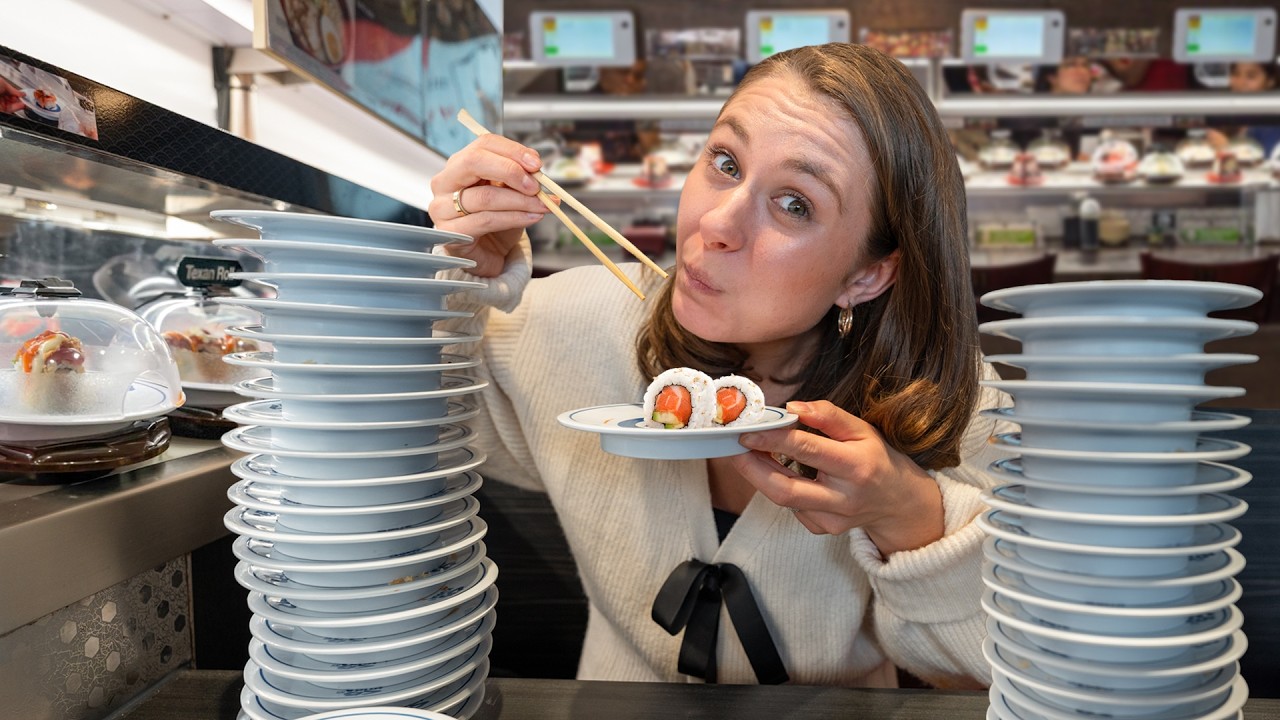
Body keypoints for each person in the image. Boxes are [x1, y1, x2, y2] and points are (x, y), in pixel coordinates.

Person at [427, 43, 1010, 689]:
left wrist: (911, 516)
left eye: (795, 204)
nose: (716, 221)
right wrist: (453, 280)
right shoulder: (570, 324)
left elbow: (989, 674)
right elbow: (389, 441)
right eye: (725, 163)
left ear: (868, 274)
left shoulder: (952, 406)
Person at [1206, 62, 1280, 156]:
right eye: (1236, 74)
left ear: (1270, 81)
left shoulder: (1273, 121)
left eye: (1251, 76)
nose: (1241, 83)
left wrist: (1228, 150)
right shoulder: (1227, 115)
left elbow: (1270, 164)